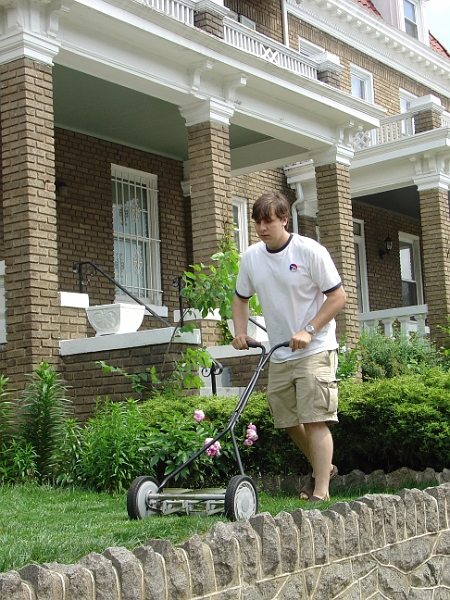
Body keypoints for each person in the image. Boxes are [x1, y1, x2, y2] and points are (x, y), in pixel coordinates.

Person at [232, 191, 346, 502]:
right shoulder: (251, 258)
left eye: (268, 221)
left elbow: (338, 297)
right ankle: (324, 467)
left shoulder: (309, 251)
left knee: (314, 418)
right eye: (257, 222)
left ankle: (320, 491)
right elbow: (240, 299)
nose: (261, 228)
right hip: (280, 350)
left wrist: (309, 330)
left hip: (316, 346)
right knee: (287, 420)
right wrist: (240, 331)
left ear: (284, 219)